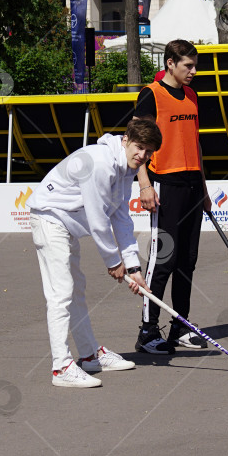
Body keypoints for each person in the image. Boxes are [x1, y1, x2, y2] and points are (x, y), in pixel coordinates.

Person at [27, 118, 161, 387]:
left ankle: (89, 356)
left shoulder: (125, 168)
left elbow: (121, 218)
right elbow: (98, 217)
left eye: (148, 151)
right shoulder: (101, 163)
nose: (142, 155)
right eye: (139, 147)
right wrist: (113, 262)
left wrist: (134, 269)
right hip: (50, 218)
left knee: (76, 290)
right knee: (61, 293)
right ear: (125, 140)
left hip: (65, 224)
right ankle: (61, 367)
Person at [133, 39, 212, 354]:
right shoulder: (151, 95)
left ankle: (180, 326)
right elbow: (136, 142)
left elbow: (196, 144)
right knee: (162, 259)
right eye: (187, 66)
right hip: (165, 184)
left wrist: (204, 189)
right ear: (170, 63)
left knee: (187, 261)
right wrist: (144, 184)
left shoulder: (192, 95)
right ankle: (148, 331)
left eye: (194, 66)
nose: (192, 71)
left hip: (193, 185)